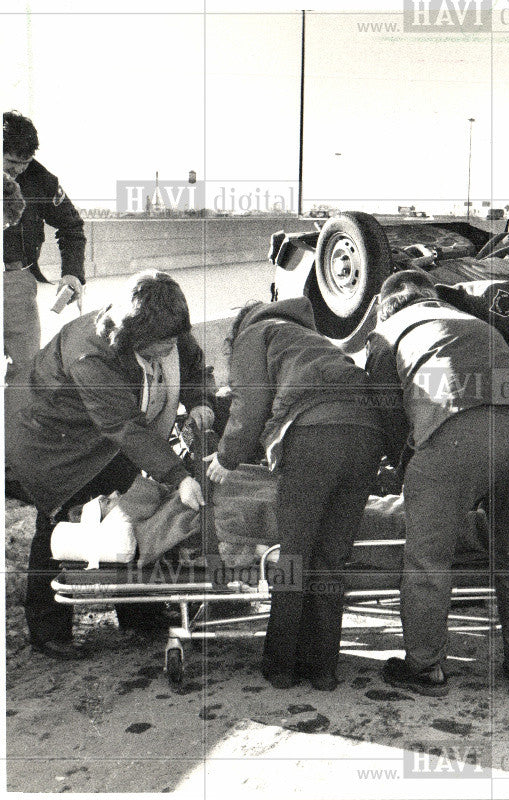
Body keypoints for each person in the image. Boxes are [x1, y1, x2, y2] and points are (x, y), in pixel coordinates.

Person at [7, 270, 217, 660]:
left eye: (171, 341)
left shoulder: (166, 327)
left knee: (141, 506)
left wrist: (200, 399)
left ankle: (142, 612)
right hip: (53, 443)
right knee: (58, 524)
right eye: (157, 346)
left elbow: (193, 365)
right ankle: (48, 630)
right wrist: (178, 476)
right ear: (133, 333)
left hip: (109, 439)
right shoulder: (90, 351)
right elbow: (122, 424)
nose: (167, 350)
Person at [366, 270, 509, 697]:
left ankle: (425, 669)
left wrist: (405, 472)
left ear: (385, 307)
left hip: (455, 432)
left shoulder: (387, 333)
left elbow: (388, 414)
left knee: (428, 560)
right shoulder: (472, 321)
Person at [204, 298, 383, 691]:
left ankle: (281, 666)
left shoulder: (256, 333)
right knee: (332, 557)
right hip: (368, 434)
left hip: (315, 435)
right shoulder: (311, 339)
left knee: (295, 555)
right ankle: (323, 669)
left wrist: (226, 458)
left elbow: (249, 404)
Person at [3, 111, 86, 413]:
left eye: (25, 162)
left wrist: (73, 273)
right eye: (11, 163)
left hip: (15, 283)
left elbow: (72, 225)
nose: (19, 171)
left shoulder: (41, 180)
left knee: (26, 371)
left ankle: (13, 445)